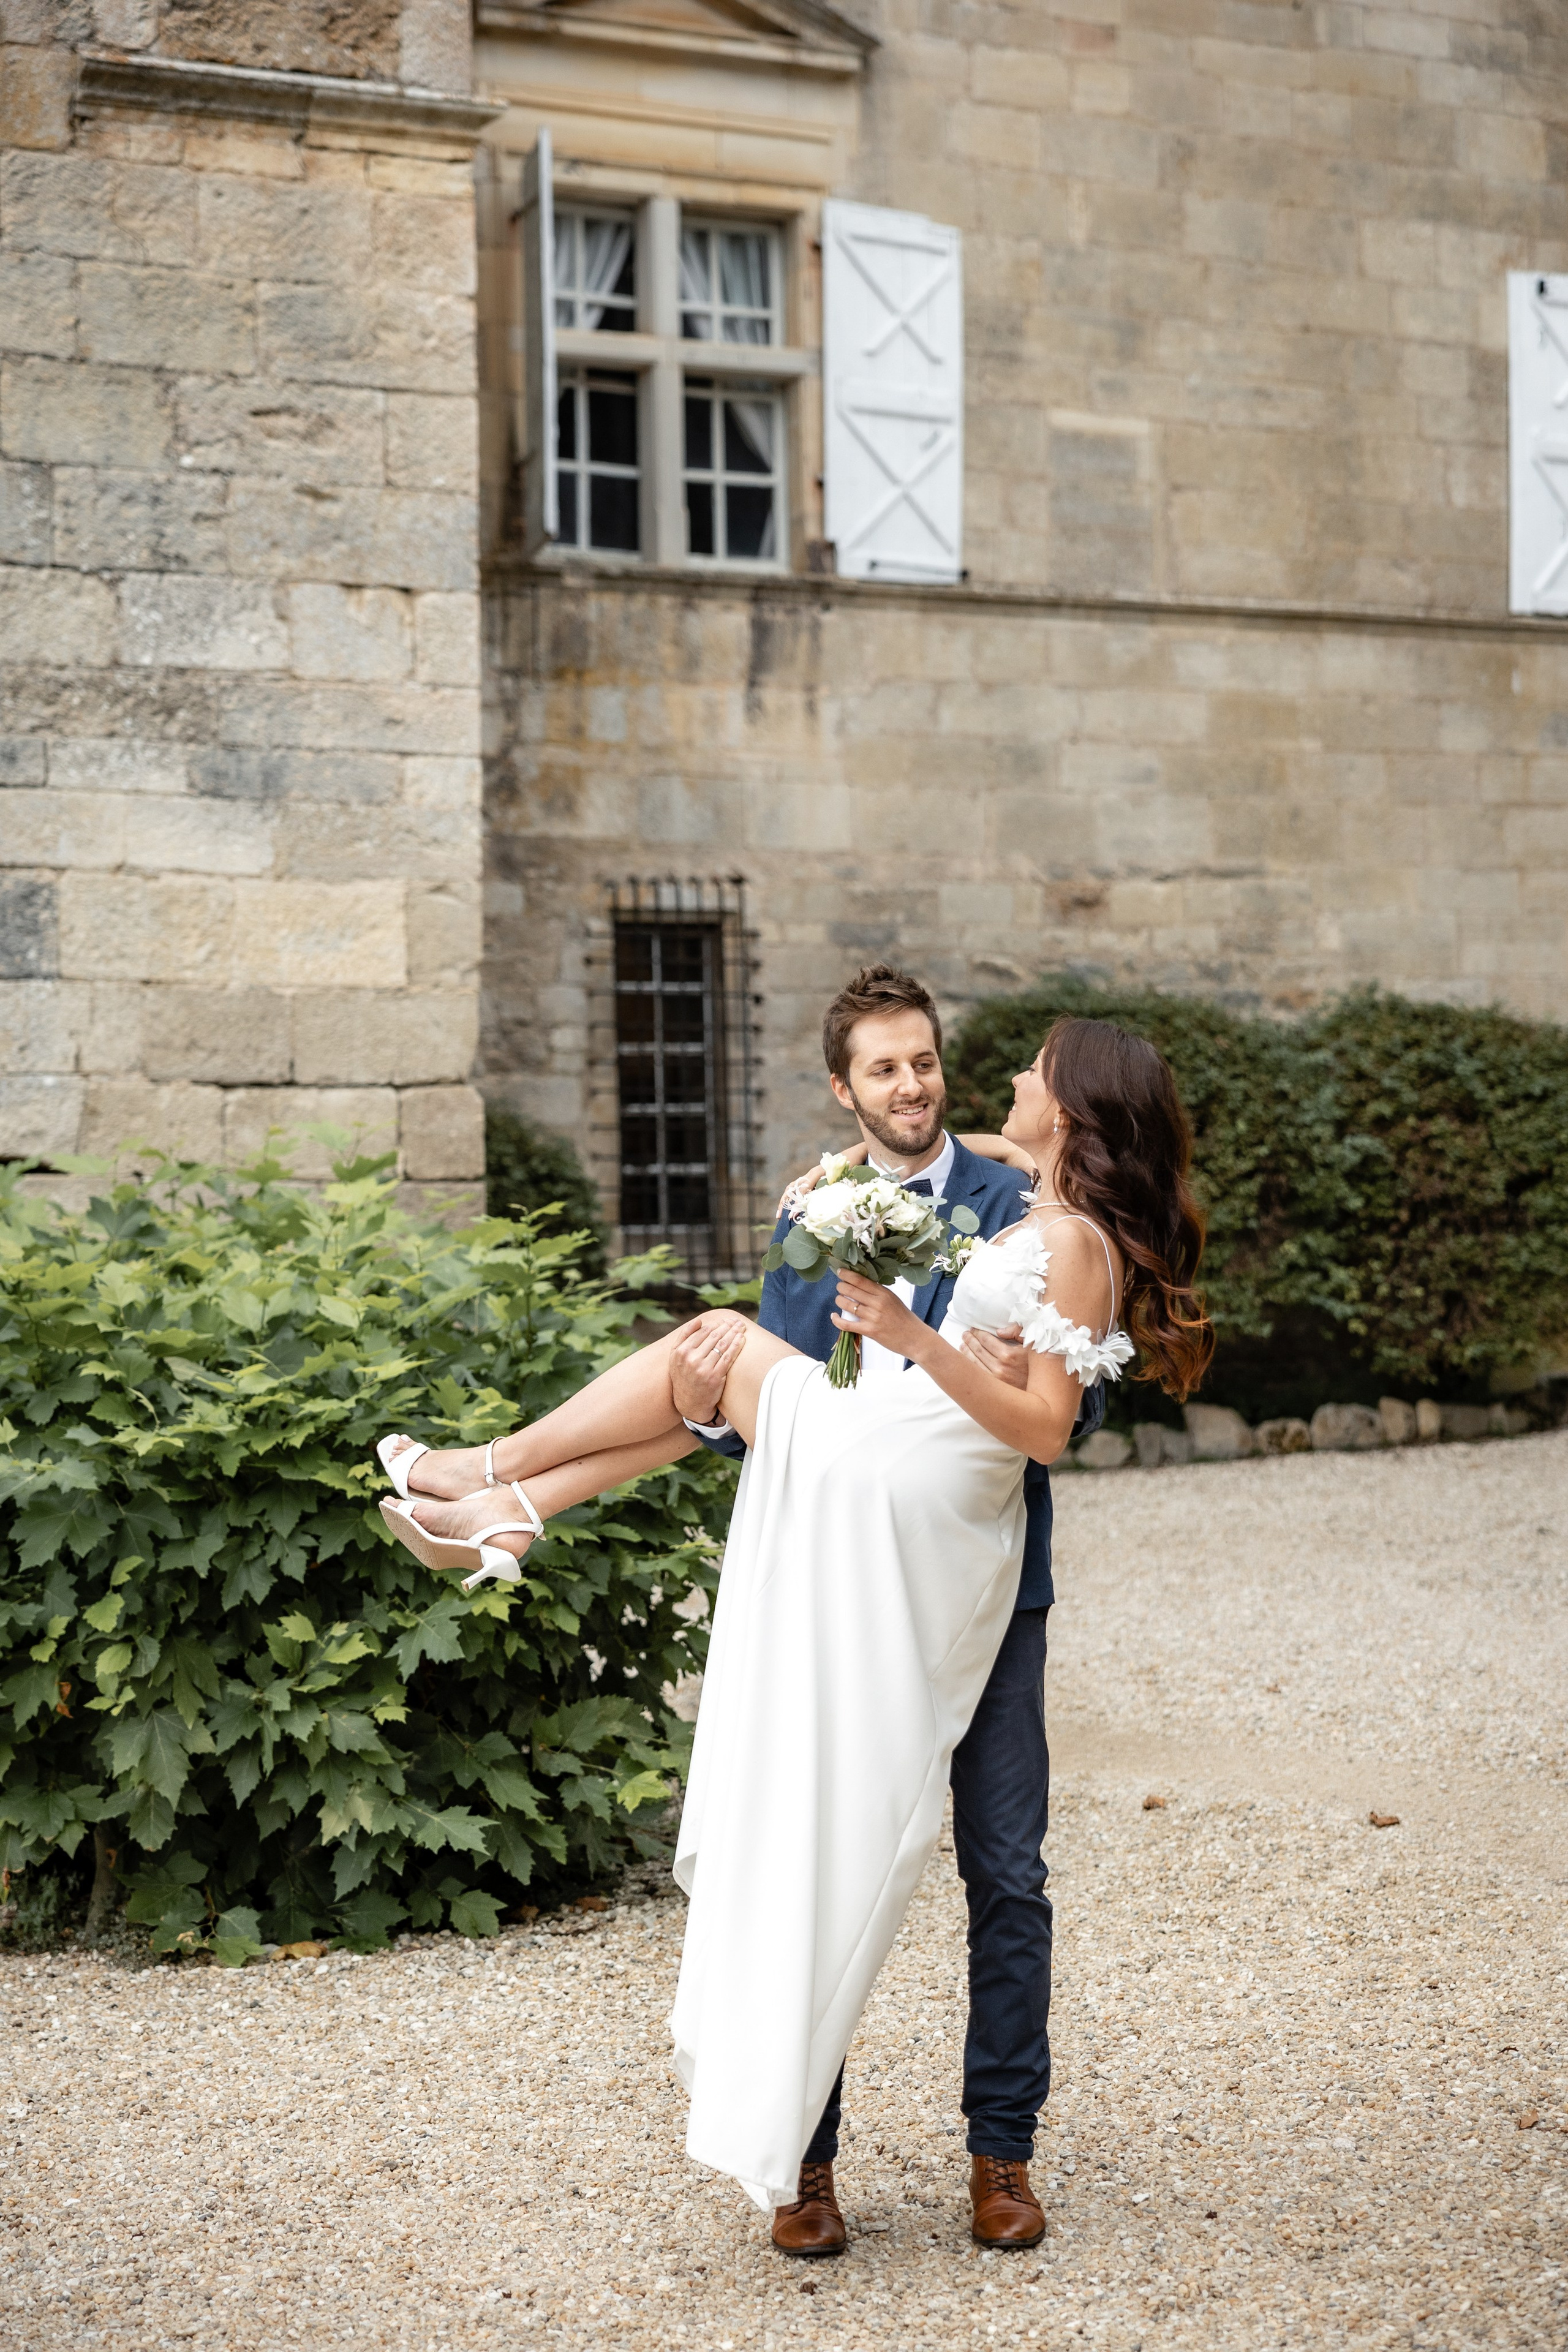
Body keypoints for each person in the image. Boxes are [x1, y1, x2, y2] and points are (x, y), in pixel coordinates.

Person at [375, 1000, 1212, 2249]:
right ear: (844, 1087)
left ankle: (1001, 2159)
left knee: (1004, 1875)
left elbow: (1050, 1421)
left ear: (1069, 1110)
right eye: (890, 1067)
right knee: (812, 1809)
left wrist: (916, 1340)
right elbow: (794, 1356)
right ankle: (805, 2168)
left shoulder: (1038, 1218)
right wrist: (854, 1297)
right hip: (868, 1504)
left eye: (937, 1063)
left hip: (953, 1539)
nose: (932, 1084)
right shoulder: (837, 1198)